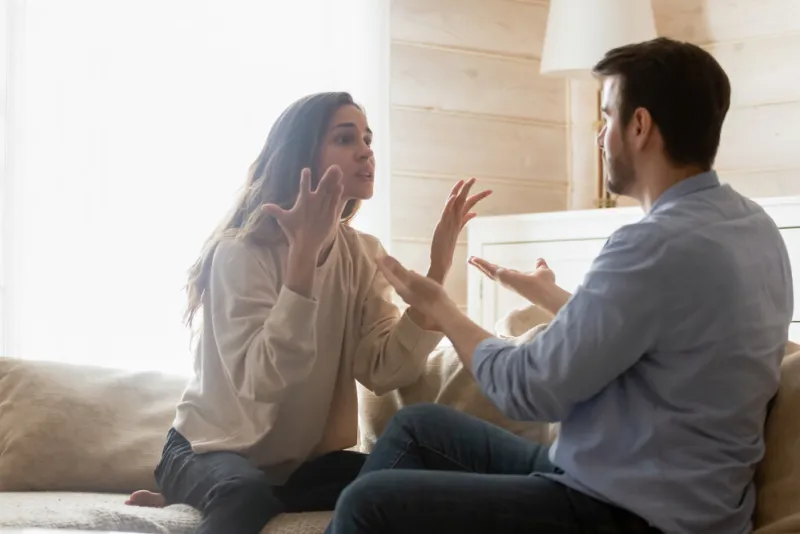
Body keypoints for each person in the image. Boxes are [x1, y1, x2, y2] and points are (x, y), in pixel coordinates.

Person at [324, 37, 795, 534]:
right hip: (645, 487)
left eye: (606, 118)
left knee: (367, 504)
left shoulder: (652, 244)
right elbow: (665, 339)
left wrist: (443, 310)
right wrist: (551, 297)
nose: (600, 137)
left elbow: (528, 389)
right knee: (419, 427)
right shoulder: (754, 228)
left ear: (639, 126)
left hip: (626, 514)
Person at [124, 91, 492, 534]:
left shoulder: (363, 254)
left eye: (367, 139)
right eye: (345, 138)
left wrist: (436, 271)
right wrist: (302, 261)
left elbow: (383, 370)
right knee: (245, 494)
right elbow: (262, 384)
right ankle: (202, 488)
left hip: (296, 467)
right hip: (208, 449)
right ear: (302, 155)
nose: (366, 151)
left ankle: (201, 497)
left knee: (410, 482)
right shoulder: (241, 251)